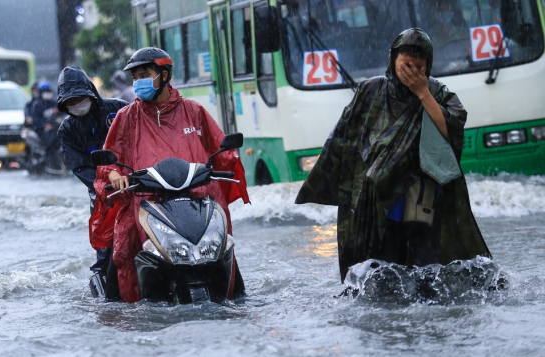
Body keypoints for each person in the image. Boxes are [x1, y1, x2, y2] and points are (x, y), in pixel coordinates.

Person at [295, 28, 491, 282]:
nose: (411, 69)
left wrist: (423, 93)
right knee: (384, 268)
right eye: (405, 61)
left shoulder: (438, 92)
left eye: (418, 64)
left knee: (425, 270)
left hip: (423, 194)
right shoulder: (370, 91)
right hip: (379, 197)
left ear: (427, 65)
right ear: (393, 59)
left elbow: (451, 127)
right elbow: (345, 140)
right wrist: (338, 187)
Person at [91, 47, 250, 302]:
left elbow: (220, 150)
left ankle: (237, 299)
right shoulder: (126, 117)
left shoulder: (194, 111)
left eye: (144, 74)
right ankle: (114, 310)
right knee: (122, 253)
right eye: (135, 77)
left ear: (164, 75)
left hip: (195, 200)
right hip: (143, 202)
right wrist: (114, 176)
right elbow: (109, 162)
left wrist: (225, 161)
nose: (138, 81)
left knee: (224, 249)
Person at [56, 65, 128, 225]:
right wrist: (104, 183)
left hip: (133, 179)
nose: (76, 103)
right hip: (101, 190)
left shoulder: (119, 109)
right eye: (70, 101)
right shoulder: (67, 130)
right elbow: (80, 167)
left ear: (90, 92)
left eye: (79, 98)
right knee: (105, 239)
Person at [31, 82, 64, 173]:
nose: (48, 93)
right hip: (44, 131)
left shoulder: (55, 103)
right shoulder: (37, 105)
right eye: (45, 91)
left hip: (57, 128)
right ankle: (52, 163)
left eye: (49, 91)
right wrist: (44, 125)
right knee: (52, 142)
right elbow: (36, 120)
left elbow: (62, 114)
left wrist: (60, 120)